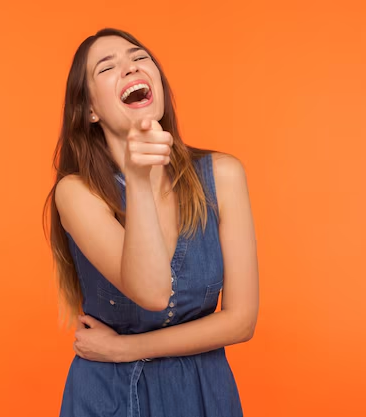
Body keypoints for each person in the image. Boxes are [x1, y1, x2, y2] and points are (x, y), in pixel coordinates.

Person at [43, 27, 259, 417]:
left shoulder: (224, 175)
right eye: (107, 67)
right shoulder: (76, 193)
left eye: (139, 58)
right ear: (90, 110)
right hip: (109, 398)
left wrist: (124, 349)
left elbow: (241, 322)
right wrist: (138, 180)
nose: (130, 68)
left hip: (204, 394)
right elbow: (153, 293)